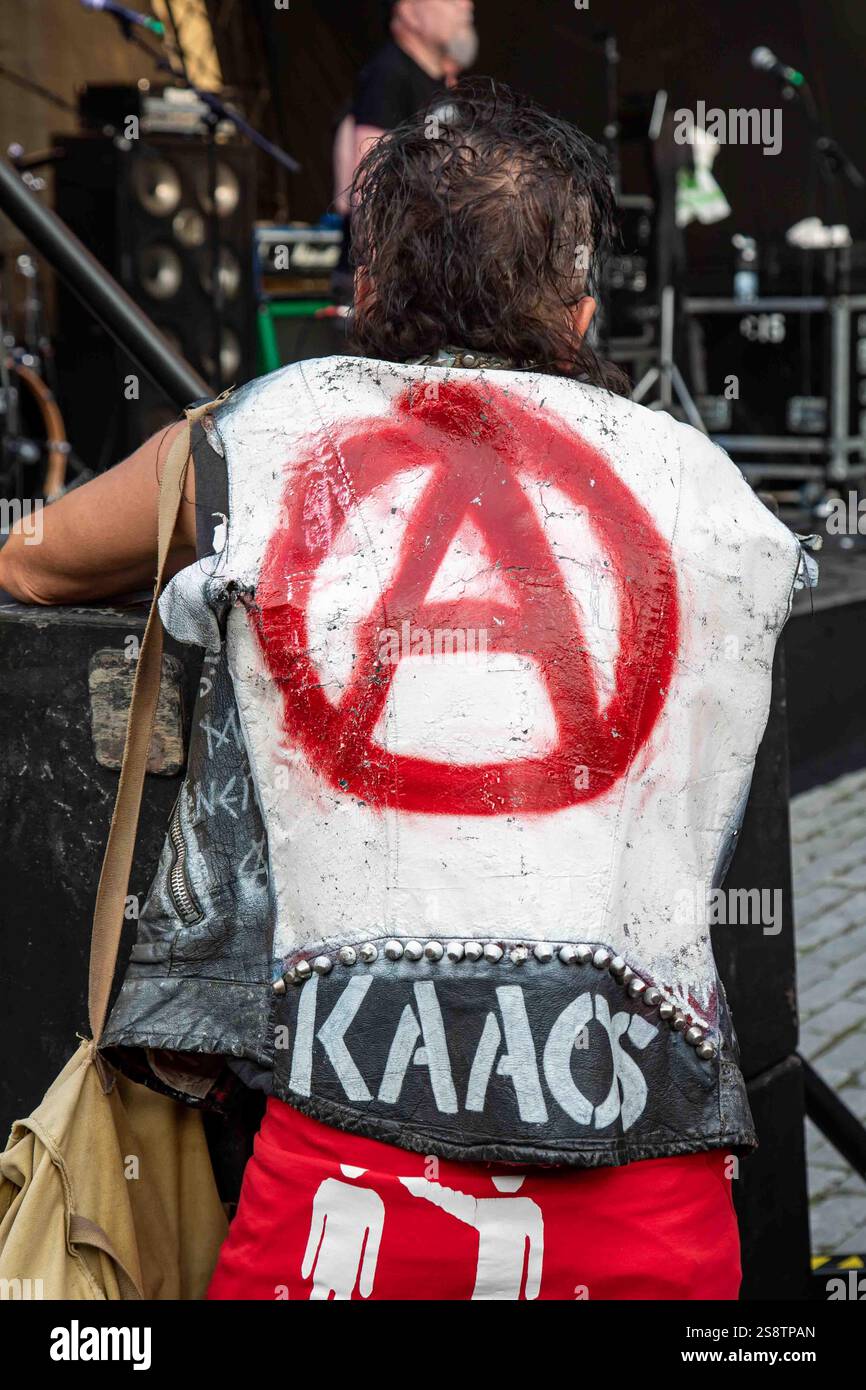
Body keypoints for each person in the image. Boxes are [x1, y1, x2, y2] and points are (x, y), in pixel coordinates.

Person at [0, 82, 810, 1301]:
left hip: (347, 1202)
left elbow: (32, 557)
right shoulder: (706, 488)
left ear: (362, 292)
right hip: (651, 1194)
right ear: (584, 307)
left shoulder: (263, 432)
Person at [331, 0, 477, 298]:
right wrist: (378, 282)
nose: (465, 5)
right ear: (408, 12)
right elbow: (365, 182)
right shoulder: (388, 74)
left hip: (428, 275)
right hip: (391, 282)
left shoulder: (437, 82)